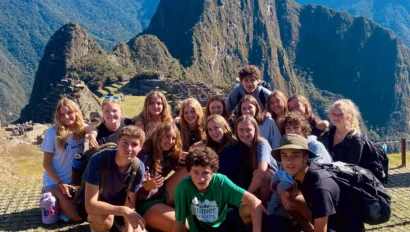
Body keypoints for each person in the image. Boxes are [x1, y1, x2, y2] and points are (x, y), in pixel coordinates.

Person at [272, 134, 366, 231]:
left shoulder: (319, 186)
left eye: (295, 155)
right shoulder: (306, 172)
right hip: (334, 224)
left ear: (305, 156)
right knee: (290, 198)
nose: (289, 161)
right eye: (284, 155)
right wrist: (286, 192)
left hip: (345, 229)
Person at [173, 147, 266, 232]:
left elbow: (255, 202)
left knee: (249, 209)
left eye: (205, 173)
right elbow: (180, 222)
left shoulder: (221, 181)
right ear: (189, 172)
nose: (200, 178)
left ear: (213, 172)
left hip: (225, 227)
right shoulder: (183, 187)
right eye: (195, 172)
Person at [83, 126, 146, 232]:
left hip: (120, 211)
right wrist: (123, 210)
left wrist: (129, 229)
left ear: (141, 147)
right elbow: (90, 205)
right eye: (124, 142)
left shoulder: (138, 167)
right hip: (99, 209)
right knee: (105, 220)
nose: (129, 148)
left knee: (139, 230)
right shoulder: (99, 160)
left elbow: (129, 203)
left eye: (134, 144)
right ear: (118, 142)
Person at [41, 97, 93, 222]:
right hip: (55, 182)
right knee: (77, 218)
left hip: (74, 182)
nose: (66, 117)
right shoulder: (53, 133)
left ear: (76, 112)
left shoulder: (80, 129)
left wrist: (92, 135)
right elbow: (46, 163)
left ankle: (59, 202)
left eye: (69, 113)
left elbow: (91, 128)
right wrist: (60, 183)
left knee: (86, 213)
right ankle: (50, 199)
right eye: (62, 114)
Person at [136, 122, 188, 232]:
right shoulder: (144, 155)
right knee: (184, 226)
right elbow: (137, 195)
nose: (170, 141)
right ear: (159, 135)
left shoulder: (168, 152)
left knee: (192, 169)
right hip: (145, 202)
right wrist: (147, 187)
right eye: (167, 136)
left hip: (161, 192)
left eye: (173, 138)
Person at [235, 115, 278, 203]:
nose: (245, 133)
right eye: (241, 130)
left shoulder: (261, 144)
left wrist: (246, 194)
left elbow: (261, 172)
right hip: (254, 185)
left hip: (272, 184)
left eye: (248, 130)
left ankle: (263, 206)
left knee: (262, 174)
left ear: (255, 130)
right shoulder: (240, 146)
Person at [205, 114, 250, 189]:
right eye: (210, 129)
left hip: (235, 189)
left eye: (216, 127)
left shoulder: (233, 147)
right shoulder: (215, 146)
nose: (213, 132)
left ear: (224, 127)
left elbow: (222, 174)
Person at [325, 99, 364, 165]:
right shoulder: (329, 133)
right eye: (333, 113)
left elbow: (351, 167)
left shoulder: (356, 140)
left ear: (349, 116)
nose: (336, 117)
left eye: (341, 114)